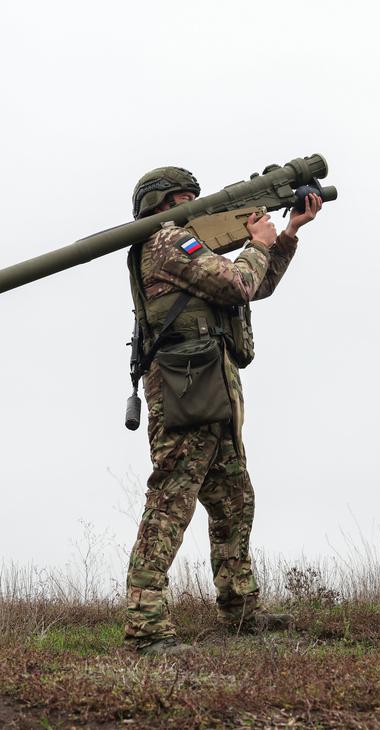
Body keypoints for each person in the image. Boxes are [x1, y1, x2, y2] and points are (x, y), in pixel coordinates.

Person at [124, 166, 323, 655]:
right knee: (170, 503)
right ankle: (146, 627)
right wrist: (257, 242)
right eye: (185, 198)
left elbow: (257, 284)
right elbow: (237, 283)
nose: (194, 204)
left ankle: (240, 610)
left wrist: (288, 234)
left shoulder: (187, 244)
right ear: (161, 204)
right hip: (185, 389)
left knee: (235, 500)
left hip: (211, 385)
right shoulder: (168, 242)